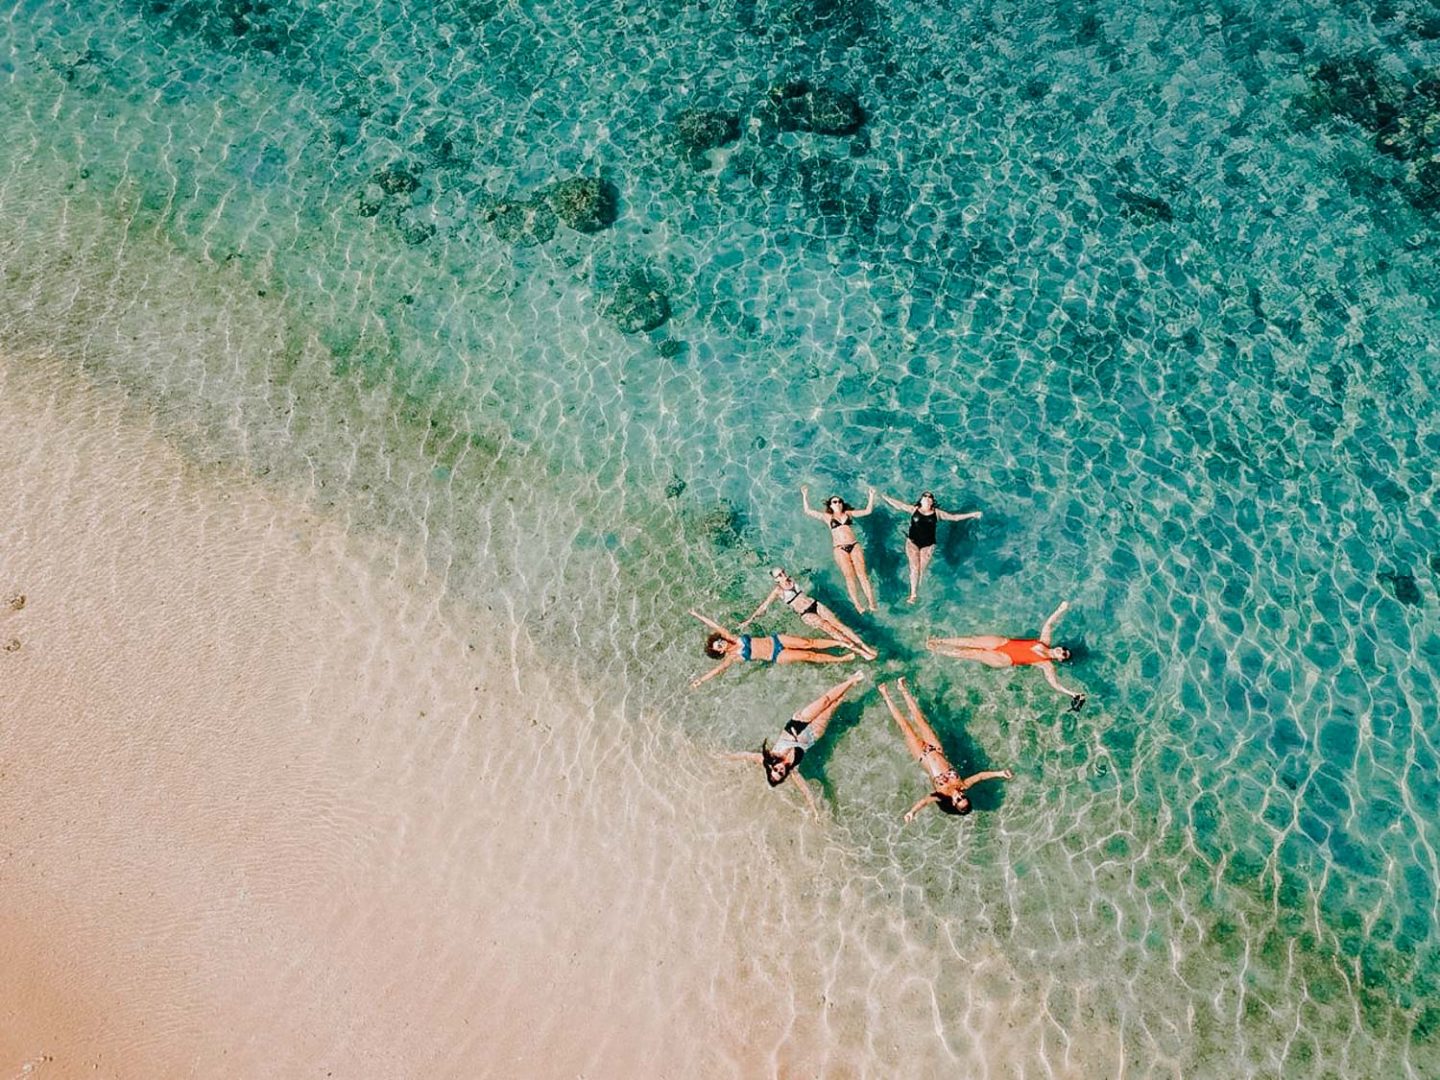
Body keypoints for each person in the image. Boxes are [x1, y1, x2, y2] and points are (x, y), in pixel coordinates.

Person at [723, 673, 866, 818]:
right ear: (784, 775)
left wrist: (725, 757)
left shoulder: (770, 757)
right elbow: (806, 792)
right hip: (813, 733)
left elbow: (746, 756)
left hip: (798, 722)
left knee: (825, 700)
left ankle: (852, 680)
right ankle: (849, 687)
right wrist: (815, 811)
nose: (779, 770)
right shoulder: (794, 772)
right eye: (780, 774)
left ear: (772, 767)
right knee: (834, 704)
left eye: (775, 770)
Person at [877, 677, 1012, 821]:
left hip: (922, 755)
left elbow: (924, 801)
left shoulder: (941, 795)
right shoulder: (963, 785)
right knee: (919, 719)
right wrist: (1000, 773)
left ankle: (885, 694)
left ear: (954, 803)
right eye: (963, 797)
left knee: (905, 726)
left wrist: (912, 812)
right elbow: (980, 776)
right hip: (936, 748)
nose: (960, 795)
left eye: (959, 800)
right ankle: (902, 689)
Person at [927, 600, 1087, 710]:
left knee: (973, 653)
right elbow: (1049, 624)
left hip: (1006, 659)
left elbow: (1054, 684)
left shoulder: (1047, 665)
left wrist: (1072, 693)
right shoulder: (1045, 641)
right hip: (1004, 643)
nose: (1062, 651)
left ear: (1060, 659)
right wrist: (1061, 609)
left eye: (1064, 654)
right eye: (1064, 648)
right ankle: (939, 641)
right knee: (973, 641)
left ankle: (938, 650)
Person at [689, 610, 855, 688]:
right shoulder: (732, 658)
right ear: (719, 651)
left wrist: (698, 615)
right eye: (719, 645)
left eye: (719, 641)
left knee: (807, 642)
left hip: (775, 639)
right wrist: (701, 680)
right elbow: (718, 670)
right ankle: (842, 659)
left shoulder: (731, 637)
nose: (721, 643)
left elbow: (715, 625)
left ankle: (839, 643)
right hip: (776, 655)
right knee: (809, 655)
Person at [740, 567, 877, 660]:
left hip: (815, 604)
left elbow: (803, 573)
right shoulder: (778, 591)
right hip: (806, 614)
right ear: (776, 580)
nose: (783, 575)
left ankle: (865, 646)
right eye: (779, 575)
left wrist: (811, 571)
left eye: (783, 571)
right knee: (832, 631)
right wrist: (749, 620)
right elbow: (764, 606)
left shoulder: (793, 579)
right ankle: (861, 652)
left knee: (839, 625)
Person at [877, 490, 982, 603]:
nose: (927, 497)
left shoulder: (937, 513)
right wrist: (884, 496)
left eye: (929, 496)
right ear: (921, 500)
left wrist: (973, 514)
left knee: (921, 569)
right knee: (914, 568)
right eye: (924, 496)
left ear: (932, 501)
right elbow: (899, 505)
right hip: (912, 542)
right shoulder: (914, 510)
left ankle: (919, 588)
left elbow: (954, 517)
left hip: (928, 545)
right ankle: (913, 595)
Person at [801, 485, 877, 612]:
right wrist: (804, 495)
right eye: (835, 501)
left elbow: (867, 511)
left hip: (854, 545)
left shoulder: (848, 514)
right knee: (849, 577)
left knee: (862, 575)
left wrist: (871, 495)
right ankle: (857, 605)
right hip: (839, 549)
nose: (838, 503)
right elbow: (808, 511)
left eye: (840, 501)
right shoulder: (827, 517)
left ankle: (871, 602)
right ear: (830, 505)